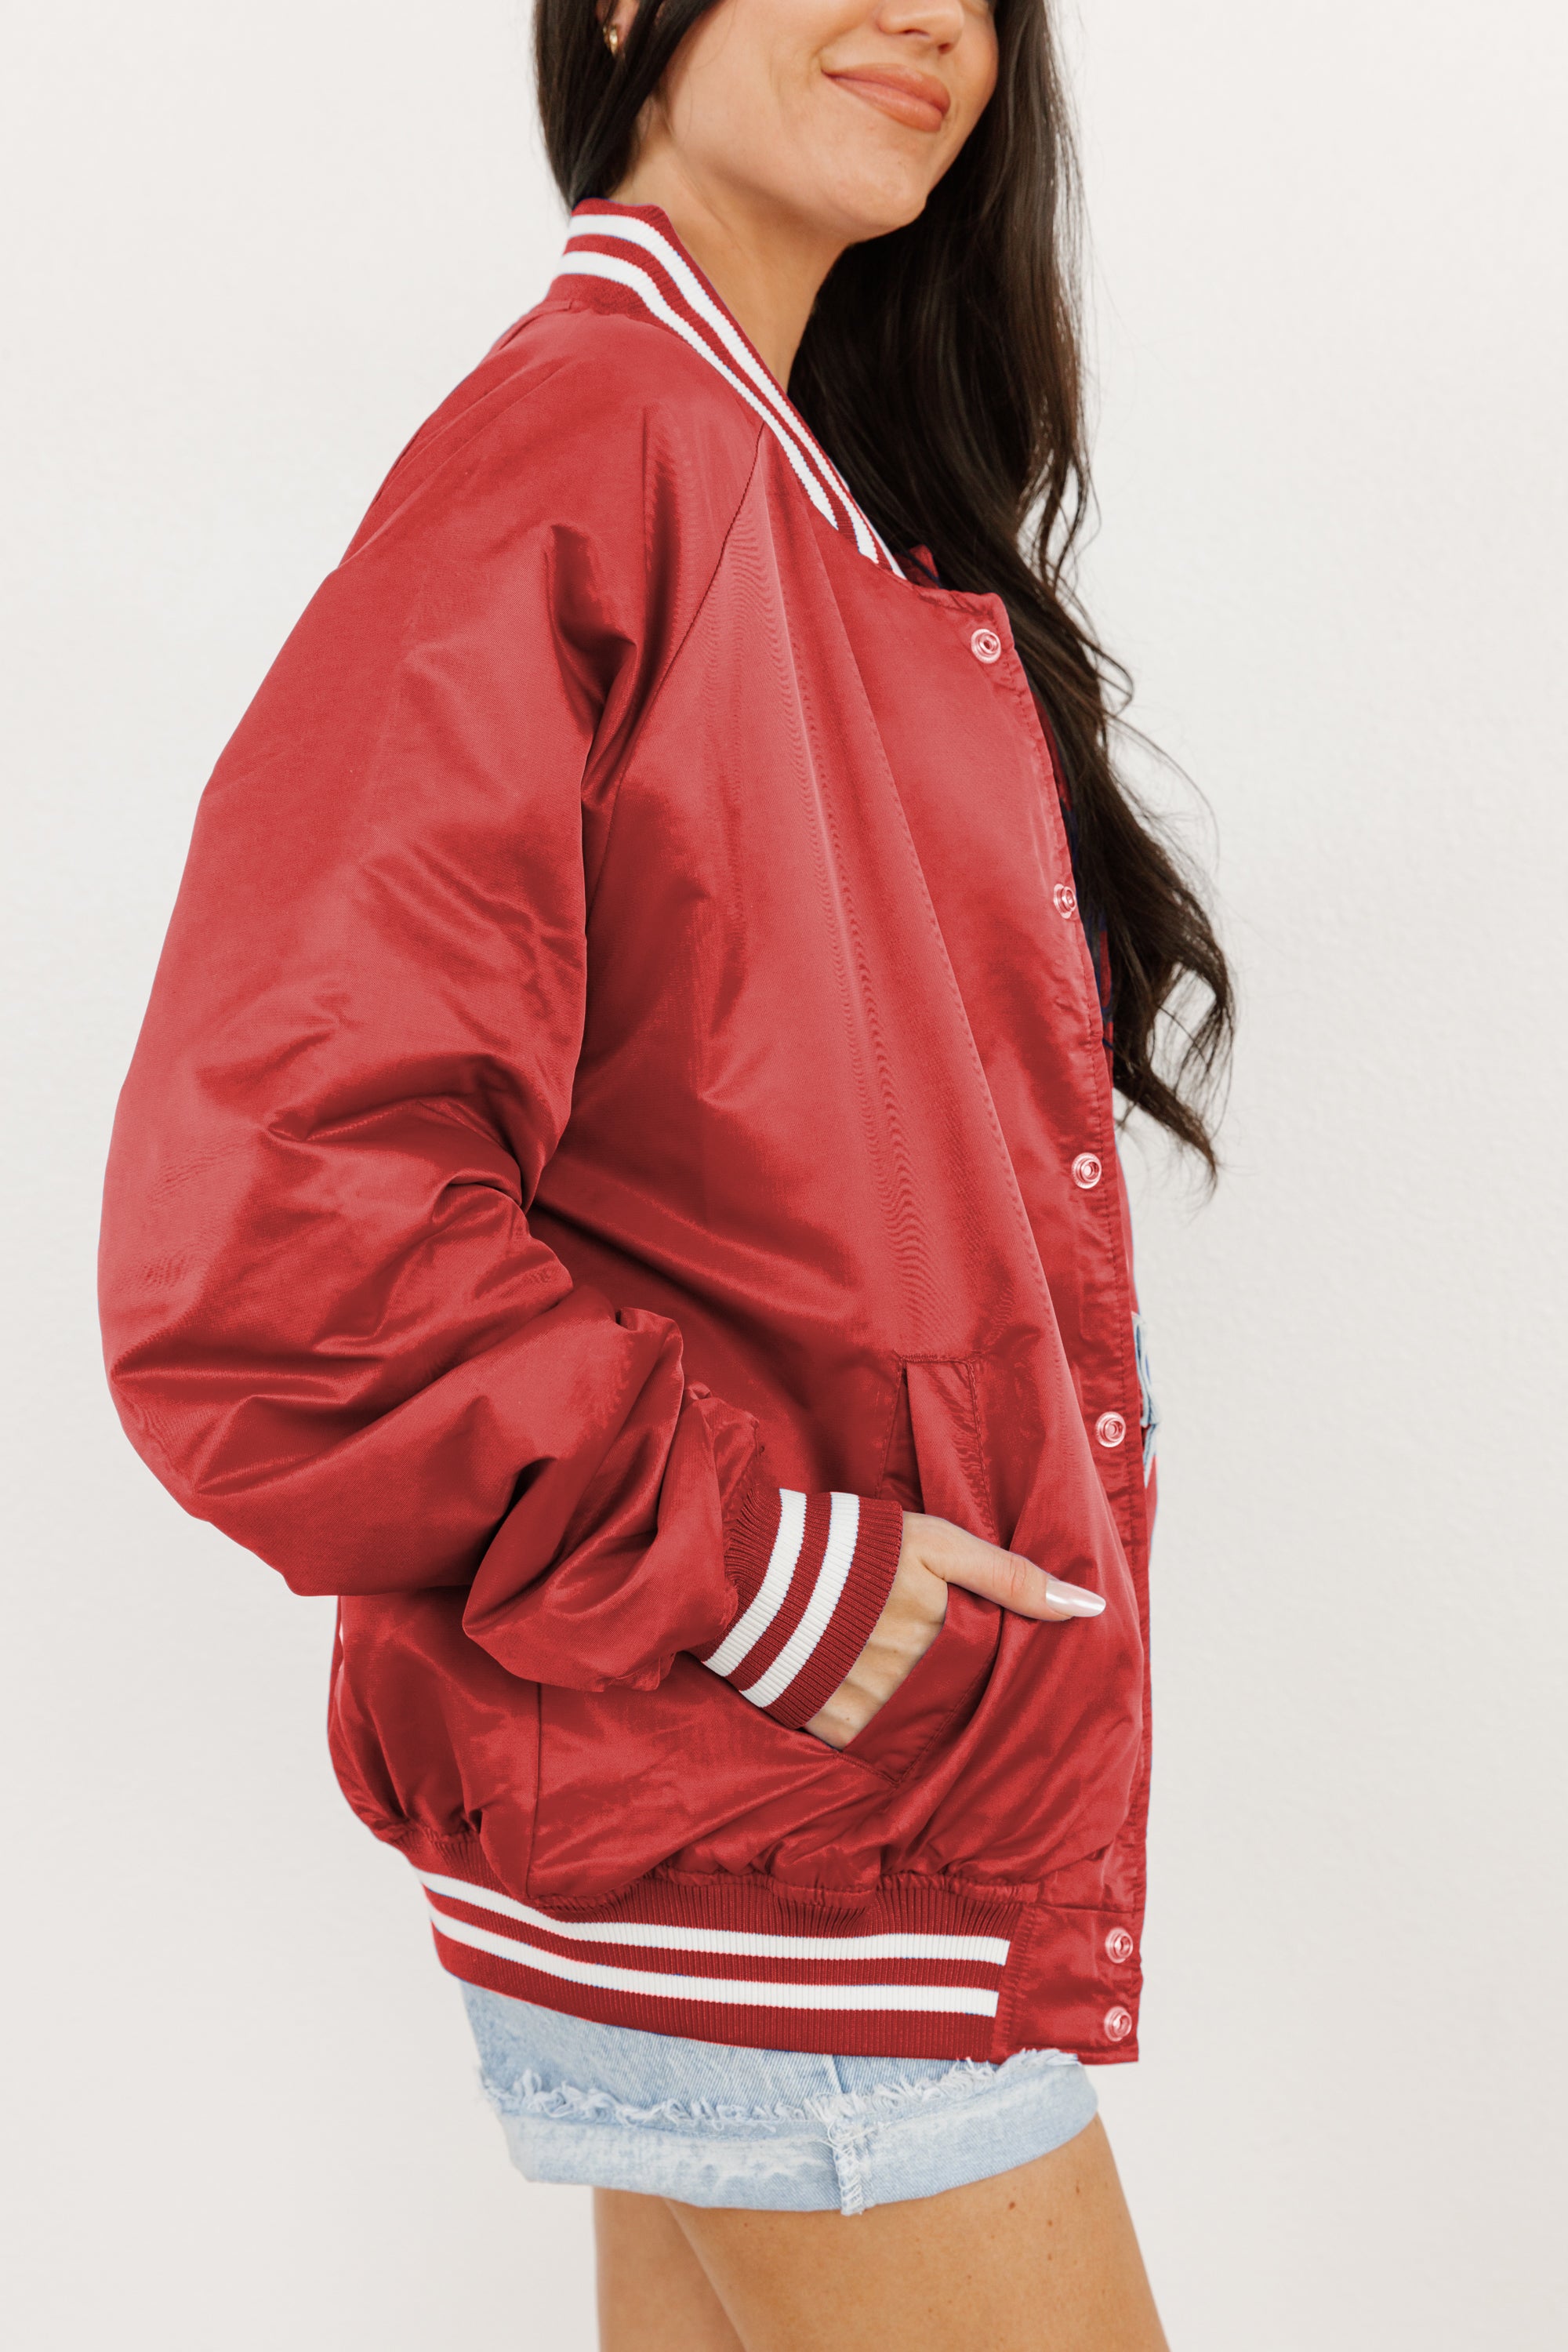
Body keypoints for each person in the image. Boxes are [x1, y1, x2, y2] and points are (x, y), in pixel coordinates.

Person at [98, 1, 1231, 2343]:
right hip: (777, 1846)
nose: (929, 17)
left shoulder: (777, 479)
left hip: (758, 1827)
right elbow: (268, 1238)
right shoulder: (598, 441)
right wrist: (763, 1572)